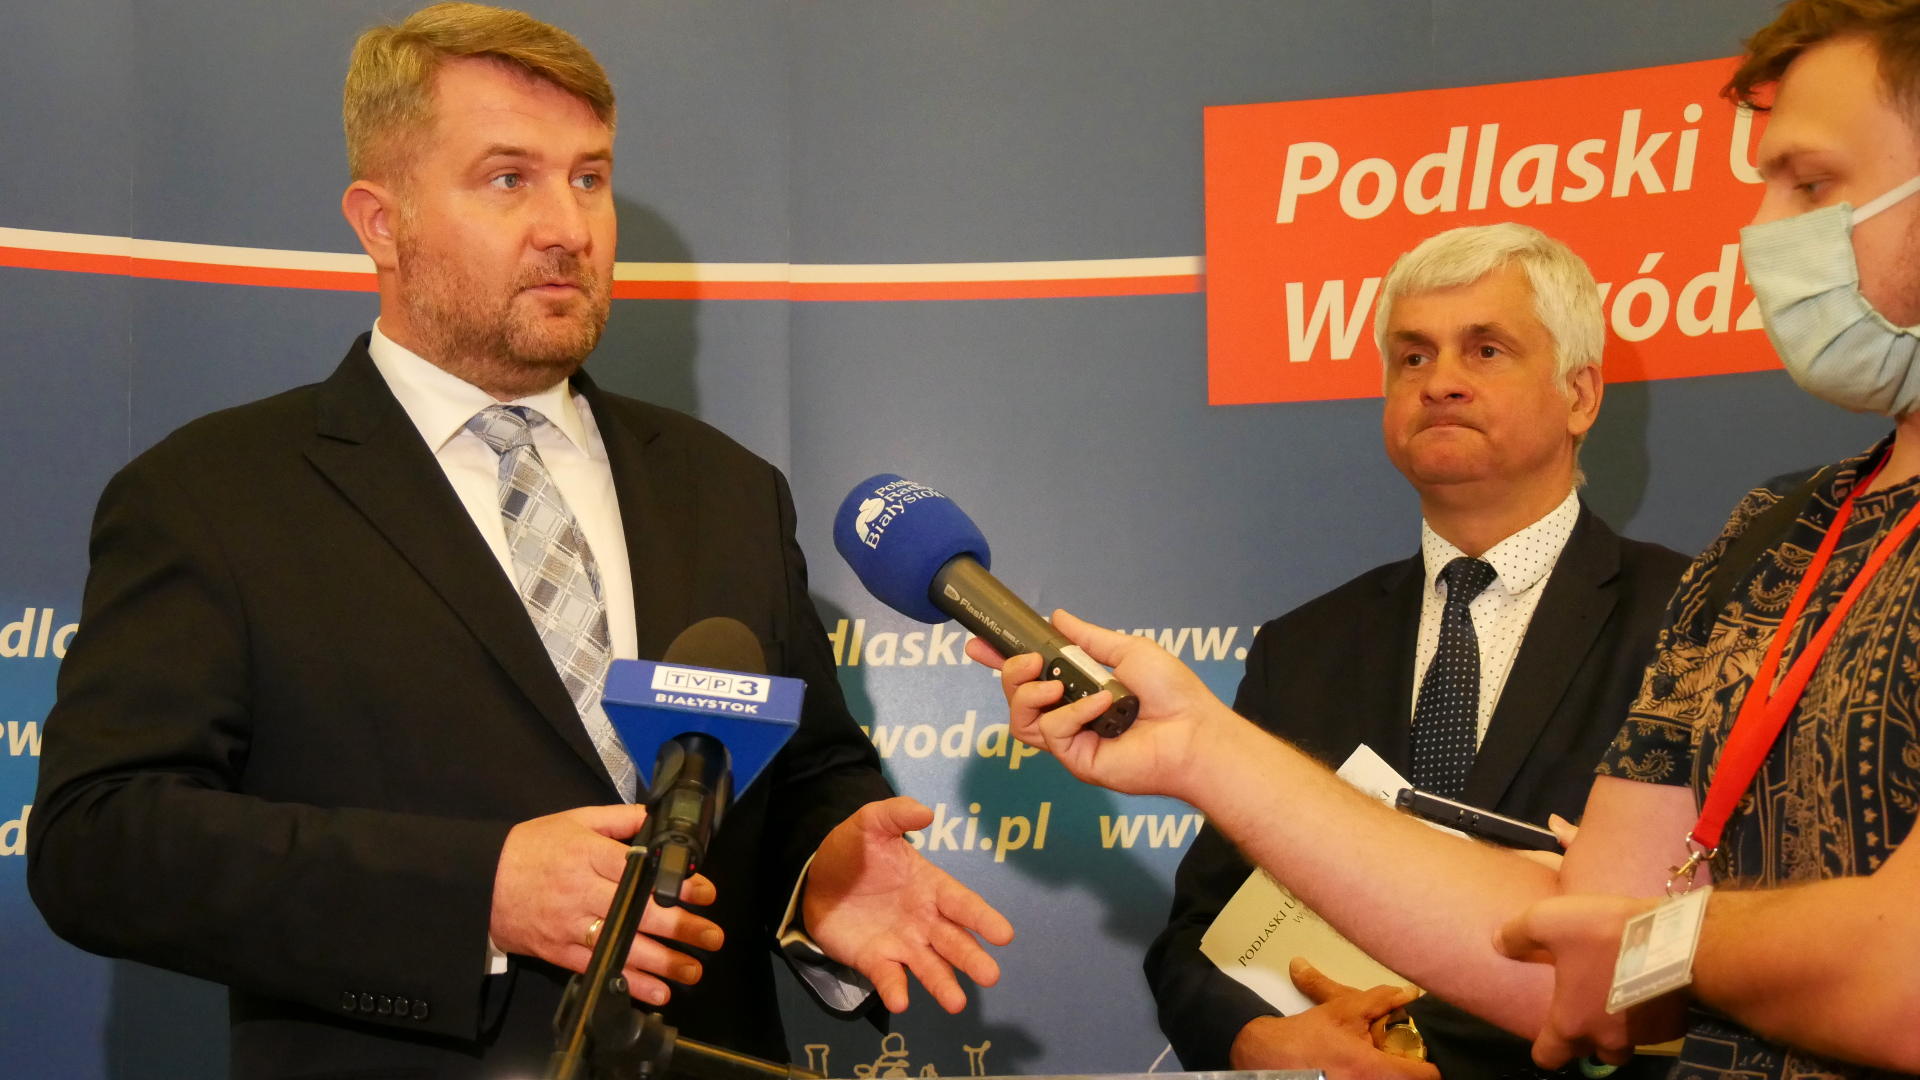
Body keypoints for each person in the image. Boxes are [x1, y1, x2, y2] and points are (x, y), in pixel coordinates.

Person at [27, 6, 1011, 1078]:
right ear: (380, 222)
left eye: (589, 178)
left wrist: (824, 866)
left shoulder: (726, 489)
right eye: (509, 179)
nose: (569, 228)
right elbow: (99, 842)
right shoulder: (214, 493)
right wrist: (477, 891)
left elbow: (808, 767)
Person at [973, 4, 1920, 1078]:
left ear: (1581, 395)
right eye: (1412, 357)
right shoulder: (1767, 545)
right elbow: (1569, 964)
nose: (1762, 228)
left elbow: (1881, 975)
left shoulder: (1664, 592)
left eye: (1810, 185)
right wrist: (1202, 748)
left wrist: (1655, 942)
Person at [1145, 223, 1687, 1080]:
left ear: (1580, 396)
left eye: (1486, 350)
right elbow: (1193, 942)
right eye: (1412, 357)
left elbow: (1697, 942)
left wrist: (1408, 1047)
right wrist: (1261, 1042)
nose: (1440, 383)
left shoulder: (1694, 620)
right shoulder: (1301, 649)